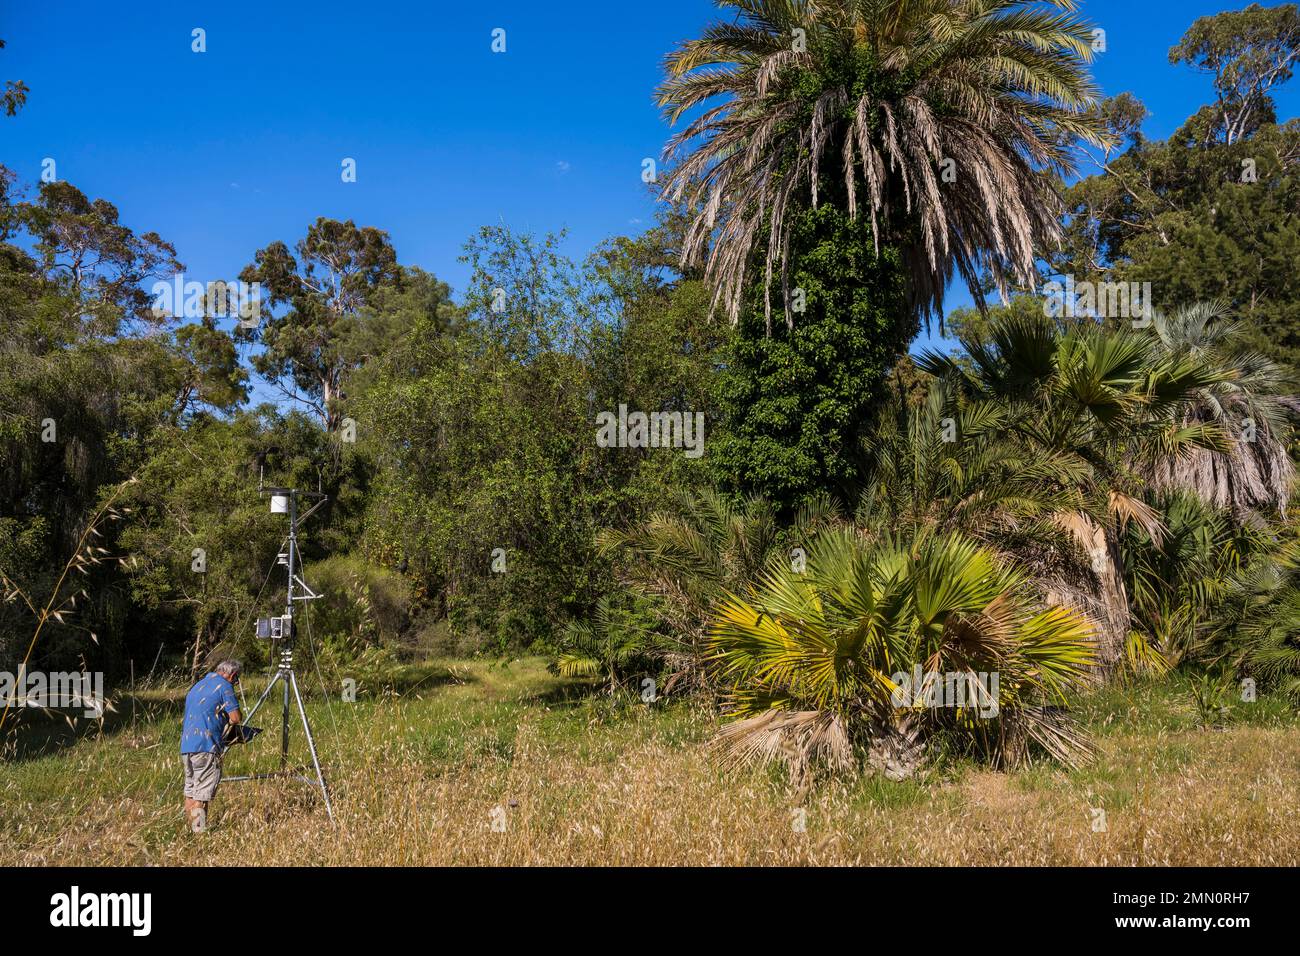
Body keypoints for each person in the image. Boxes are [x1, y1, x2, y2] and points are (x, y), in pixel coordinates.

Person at [180, 658, 242, 833]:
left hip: (187, 745)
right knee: (202, 794)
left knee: (191, 791)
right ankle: (199, 833)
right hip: (207, 746)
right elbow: (235, 718)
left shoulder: (198, 685)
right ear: (233, 675)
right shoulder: (224, 686)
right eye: (237, 680)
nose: (236, 683)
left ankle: (191, 832)